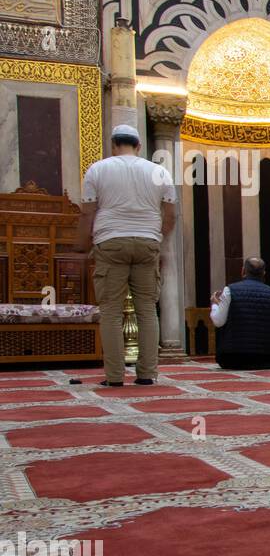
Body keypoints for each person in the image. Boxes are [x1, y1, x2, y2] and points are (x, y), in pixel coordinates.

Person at [77, 124, 176, 387]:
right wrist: (159, 241)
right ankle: (146, 374)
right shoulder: (159, 171)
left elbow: (88, 212)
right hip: (147, 243)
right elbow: (170, 214)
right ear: (139, 146)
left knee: (110, 311)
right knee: (146, 309)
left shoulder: (98, 169)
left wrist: (81, 245)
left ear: (113, 145)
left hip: (110, 242)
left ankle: (115, 376)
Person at [210, 257, 270, 370]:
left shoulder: (230, 290)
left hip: (232, 359)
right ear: (264, 273)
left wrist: (216, 304)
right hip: (267, 360)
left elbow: (218, 321)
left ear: (243, 271)